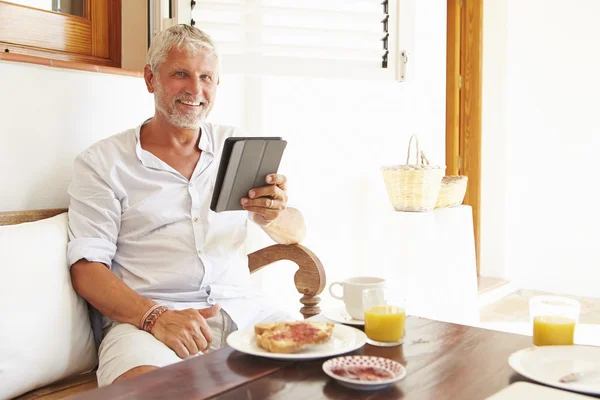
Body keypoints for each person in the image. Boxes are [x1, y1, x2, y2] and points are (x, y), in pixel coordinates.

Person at [67, 24, 306, 387]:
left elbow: (296, 230)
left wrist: (272, 215)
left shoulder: (237, 145)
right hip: (149, 327)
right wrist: (156, 317)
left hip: (245, 313)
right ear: (151, 79)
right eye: (181, 74)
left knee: (326, 371)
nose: (196, 90)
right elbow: (87, 269)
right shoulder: (103, 163)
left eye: (206, 77)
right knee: (147, 391)